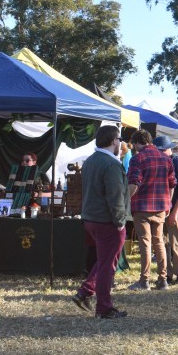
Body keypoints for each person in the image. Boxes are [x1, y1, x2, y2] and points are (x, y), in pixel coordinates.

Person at [71, 125, 130, 319]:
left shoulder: (90, 161)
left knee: (105, 260)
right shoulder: (110, 164)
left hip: (91, 218)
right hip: (107, 220)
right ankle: (104, 307)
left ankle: (85, 291)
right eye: (119, 140)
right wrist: (120, 220)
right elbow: (115, 196)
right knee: (107, 265)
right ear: (114, 141)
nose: (120, 143)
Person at [125, 130, 176, 291]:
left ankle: (144, 280)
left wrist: (124, 200)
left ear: (138, 143)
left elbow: (133, 183)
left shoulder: (137, 158)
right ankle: (162, 279)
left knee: (145, 243)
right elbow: (172, 183)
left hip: (142, 206)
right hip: (161, 206)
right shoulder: (166, 158)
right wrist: (168, 204)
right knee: (159, 242)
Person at [155, 137, 178, 285]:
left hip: (177, 208)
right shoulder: (160, 162)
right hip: (162, 208)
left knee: (175, 240)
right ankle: (167, 274)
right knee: (163, 242)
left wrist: (175, 212)